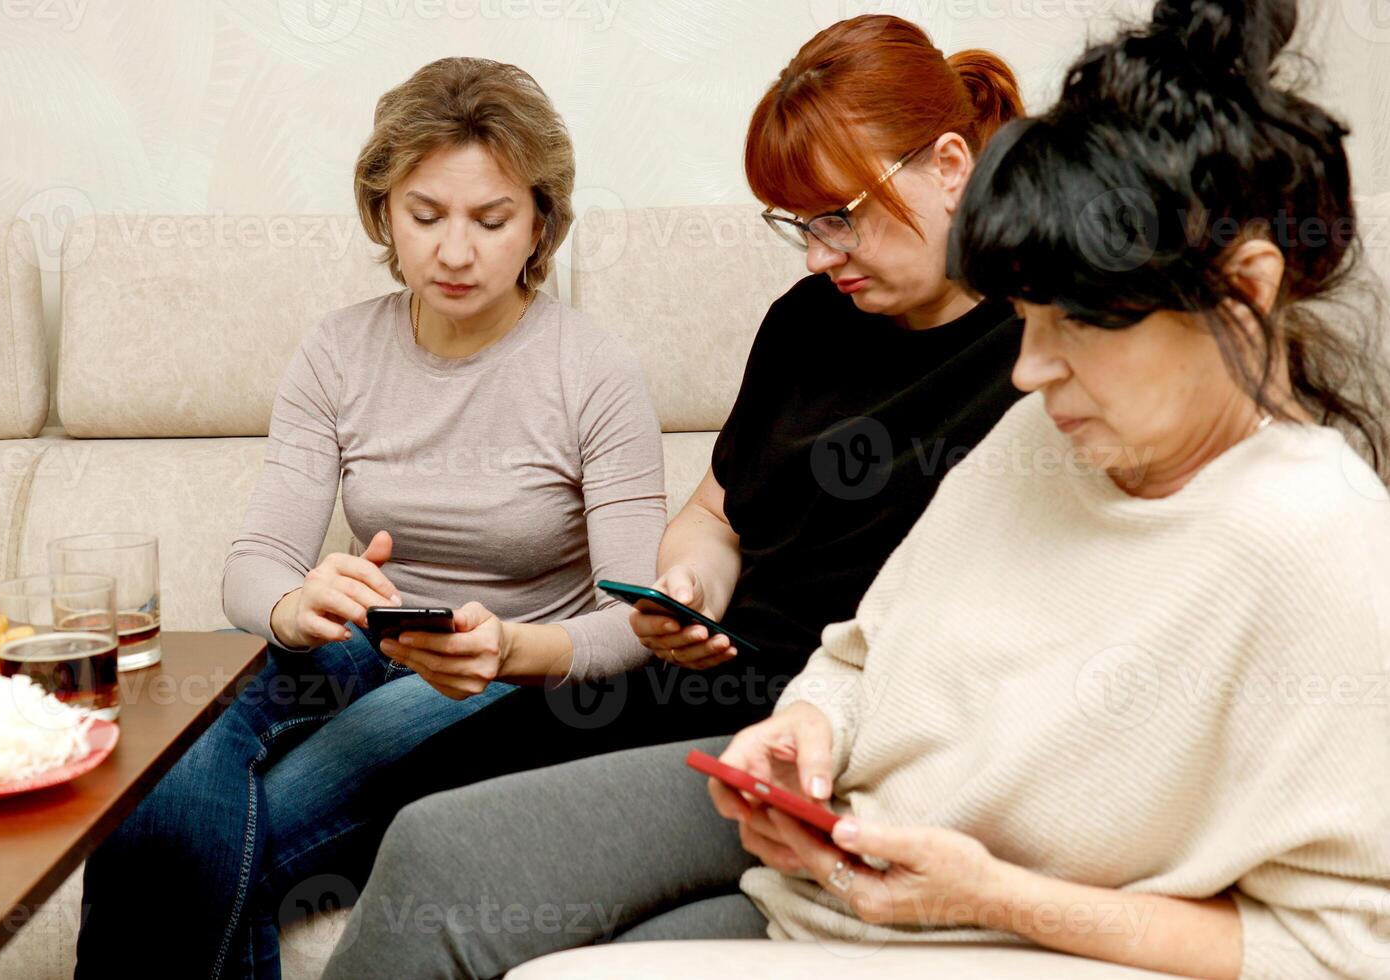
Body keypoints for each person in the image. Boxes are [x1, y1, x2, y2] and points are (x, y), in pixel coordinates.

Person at [322, 0, 1390, 976]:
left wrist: (994, 893)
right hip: (827, 851)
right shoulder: (1045, 436)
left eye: (1077, 323)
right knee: (446, 850)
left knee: (457, 865)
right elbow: (861, 650)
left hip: (952, 910)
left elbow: (1340, 947)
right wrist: (813, 728)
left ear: (1245, 293)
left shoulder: (1319, 546)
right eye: (1034, 317)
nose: (1029, 364)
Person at [294, 14, 1029, 874]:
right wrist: (692, 589)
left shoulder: (1039, 350)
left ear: (948, 168)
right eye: (799, 225)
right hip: (689, 685)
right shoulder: (808, 322)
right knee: (400, 798)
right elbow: (714, 516)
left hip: (801, 725)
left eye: (839, 218)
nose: (818, 257)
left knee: (431, 836)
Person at [74, 57, 666, 980]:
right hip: (358, 646)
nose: (455, 251)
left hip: (498, 678)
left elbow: (638, 617)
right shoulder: (339, 349)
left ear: (542, 221)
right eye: (425, 216)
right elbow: (255, 562)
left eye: (492, 219)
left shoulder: (593, 369)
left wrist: (509, 646)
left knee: (189, 835)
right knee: (169, 760)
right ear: (384, 212)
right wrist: (295, 603)